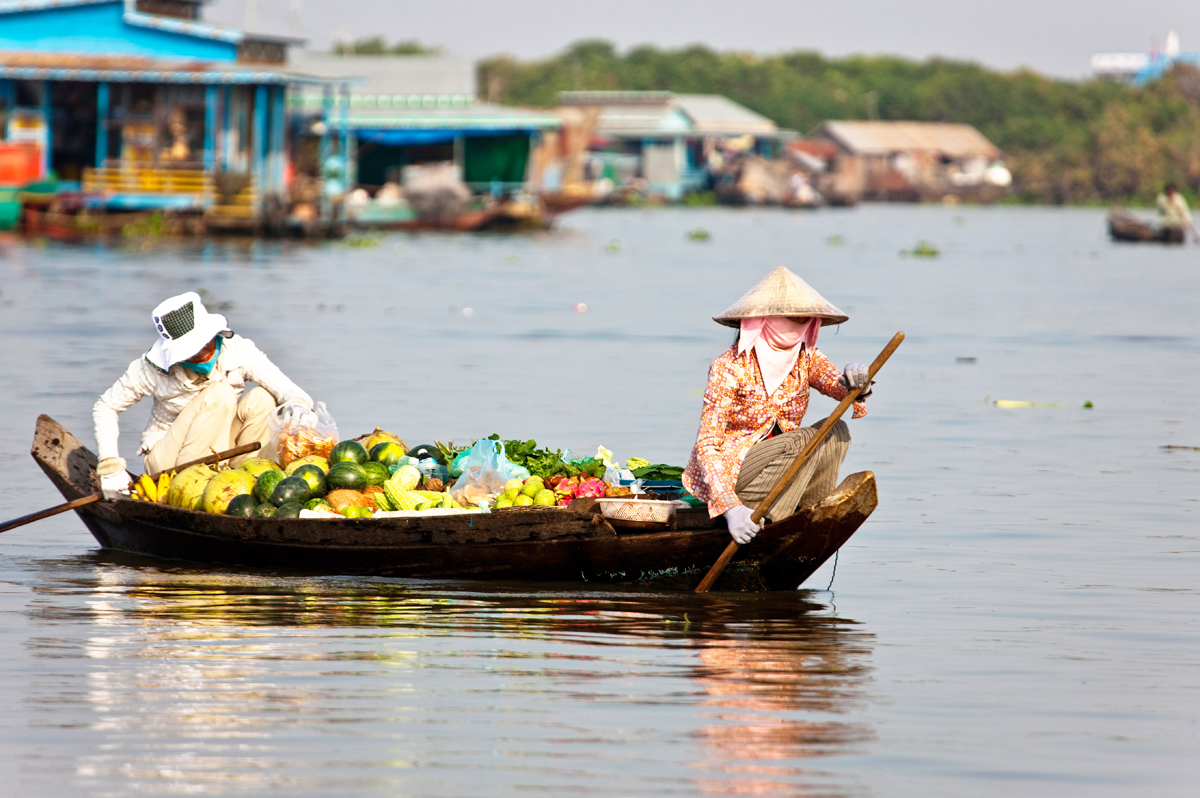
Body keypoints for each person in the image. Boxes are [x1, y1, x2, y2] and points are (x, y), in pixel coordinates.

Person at [682, 267, 873, 546]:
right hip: (736, 475)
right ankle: (768, 516)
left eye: (803, 319)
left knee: (836, 429)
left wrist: (858, 383)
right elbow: (707, 444)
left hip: (781, 468)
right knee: (804, 438)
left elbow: (838, 387)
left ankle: (807, 512)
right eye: (791, 318)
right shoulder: (729, 367)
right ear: (764, 319)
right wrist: (730, 508)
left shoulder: (806, 358)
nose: (798, 326)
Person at [93, 292, 315, 498]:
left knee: (264, 398)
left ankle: (248, 480)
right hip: (170, 462)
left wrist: (298, 406)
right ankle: (195, 486)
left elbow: (289, 391)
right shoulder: (150, 368)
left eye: (204, 341)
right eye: (191, 349)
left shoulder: (237, 350)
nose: (202, 353)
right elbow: (106, 406)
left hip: (220, 450)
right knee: (220, 392)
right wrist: (110, 465)